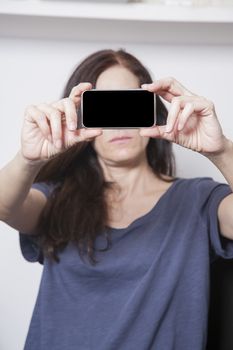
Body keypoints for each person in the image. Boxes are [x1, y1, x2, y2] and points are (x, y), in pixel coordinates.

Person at [0, 49, 233, 350]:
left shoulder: (198, 201)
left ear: (154, 111)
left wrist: (221, 150)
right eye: (104, 108)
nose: (118, 124)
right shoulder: (56, 197)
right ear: (79, 120)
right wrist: (28, 159)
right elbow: (4, 205)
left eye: (128, 106)